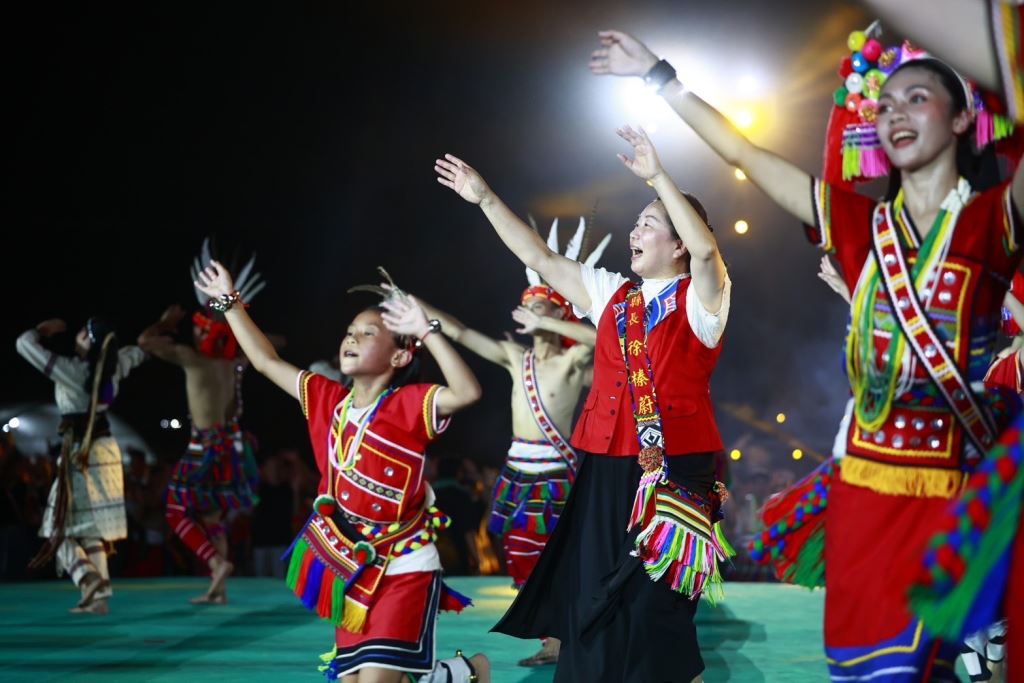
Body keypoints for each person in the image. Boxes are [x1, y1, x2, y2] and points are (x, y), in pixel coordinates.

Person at [587, 21, 1024, 680]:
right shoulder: (856, 222)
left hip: (963, 488)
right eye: (885, 104)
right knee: (872, 668)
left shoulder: (993, 219)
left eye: (917, 98)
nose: (895, 113)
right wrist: (658, 75)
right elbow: (742, 149)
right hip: (869, 488)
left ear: (963, 118)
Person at [436, 121, 732, 683]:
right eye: (637, 222)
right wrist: (485, 199)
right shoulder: (612, 294)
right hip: (607, 464)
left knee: (658, 602)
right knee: (592, 593)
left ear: (677, 244)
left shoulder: (704, 300)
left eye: (649, 224)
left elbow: (705, 249)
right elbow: (543, 260)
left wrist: (658, 177)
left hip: (676, 469)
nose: (635, 231)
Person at [194, 261, 481, 682]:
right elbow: (265, 360)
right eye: (350, 331)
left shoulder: (409, 404)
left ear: (400, 355)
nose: (352, 337)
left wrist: (426, 330)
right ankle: (463, 674)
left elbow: (467, 392)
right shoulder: (324, 398)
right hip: (349, 565)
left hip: (404, 565)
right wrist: (230, 303)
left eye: (368, 333)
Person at [411, 224, 602, 666]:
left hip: (555, 471)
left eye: (538, 306)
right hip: (518, 470)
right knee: (520, 555)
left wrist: (547, 321)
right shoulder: (518, 357)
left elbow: (605, 339)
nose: (527, 311)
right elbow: (461, 333)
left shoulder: (574, 360)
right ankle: (552, 638)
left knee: (555, 554)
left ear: (557, 312)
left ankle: (567, 637)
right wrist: (417, 306)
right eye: (526, 306)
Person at [138, 243, 266, 604]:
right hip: (231, 445)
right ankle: (217, 588)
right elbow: (271, 342)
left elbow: (144, 342)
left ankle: (215, 562)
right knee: (212, 517)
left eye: (198, 329)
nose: (193, 335)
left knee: (176, 509)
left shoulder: (192, 359)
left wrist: (165, 324)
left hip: (205, 444)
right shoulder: (234, 362)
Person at [16, 316, 147, 614]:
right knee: (89, 530)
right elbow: (138, 352)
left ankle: (87, 577)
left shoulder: (72, 370)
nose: (77, 336)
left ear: (91, 344)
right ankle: (100, 599)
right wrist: (156, 335)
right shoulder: (114, 367)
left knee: (56, 526)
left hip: (81, 452)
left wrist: (40, 331)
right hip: (106, 453)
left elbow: (23, 345)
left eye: (82, 334)